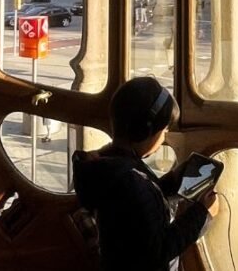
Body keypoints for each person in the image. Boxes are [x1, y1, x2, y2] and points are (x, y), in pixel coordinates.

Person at [73, 78, 218, 271]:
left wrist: (171, 181)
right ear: (144, 131)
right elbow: (158, 251)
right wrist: (202, 214)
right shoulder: (130, 183)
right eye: (164, 130)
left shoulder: (107, 166)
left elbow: (137, 212)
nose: (164, 137)